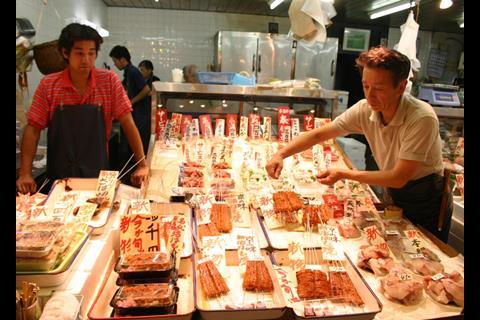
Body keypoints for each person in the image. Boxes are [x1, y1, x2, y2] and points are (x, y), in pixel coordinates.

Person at [265, 46, 452, 242]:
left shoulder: (421, 117)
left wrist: (345, 174)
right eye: (366, 86)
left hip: (426, 197)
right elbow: (318, 135)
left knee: (424, 252)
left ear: (401, 86)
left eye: (379, 88)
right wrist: (281, 154)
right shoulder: (365, 109)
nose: (370, 95)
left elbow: (399, 177)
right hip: (395, 191)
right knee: (396, 245)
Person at [16, 23, 149, 194]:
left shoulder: (108, 81)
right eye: (79, 53)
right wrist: (25, 173)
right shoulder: (49, 85)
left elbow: (128, 122)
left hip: (98, 175)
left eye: (91, 53)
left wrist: (142, 165)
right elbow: (33, 130)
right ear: (65, 53)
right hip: (59, 179)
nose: (86, 60)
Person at [109, 46, 151, 183]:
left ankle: (133, 181)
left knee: (132, 151)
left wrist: (130, 102)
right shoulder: (128, 72)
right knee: (127, 151)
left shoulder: (133, 71)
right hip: (136, 115)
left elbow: (146, 90)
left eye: (115, 61)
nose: (114, 64)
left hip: (140, 117)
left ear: (122, 59)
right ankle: (129, 180)